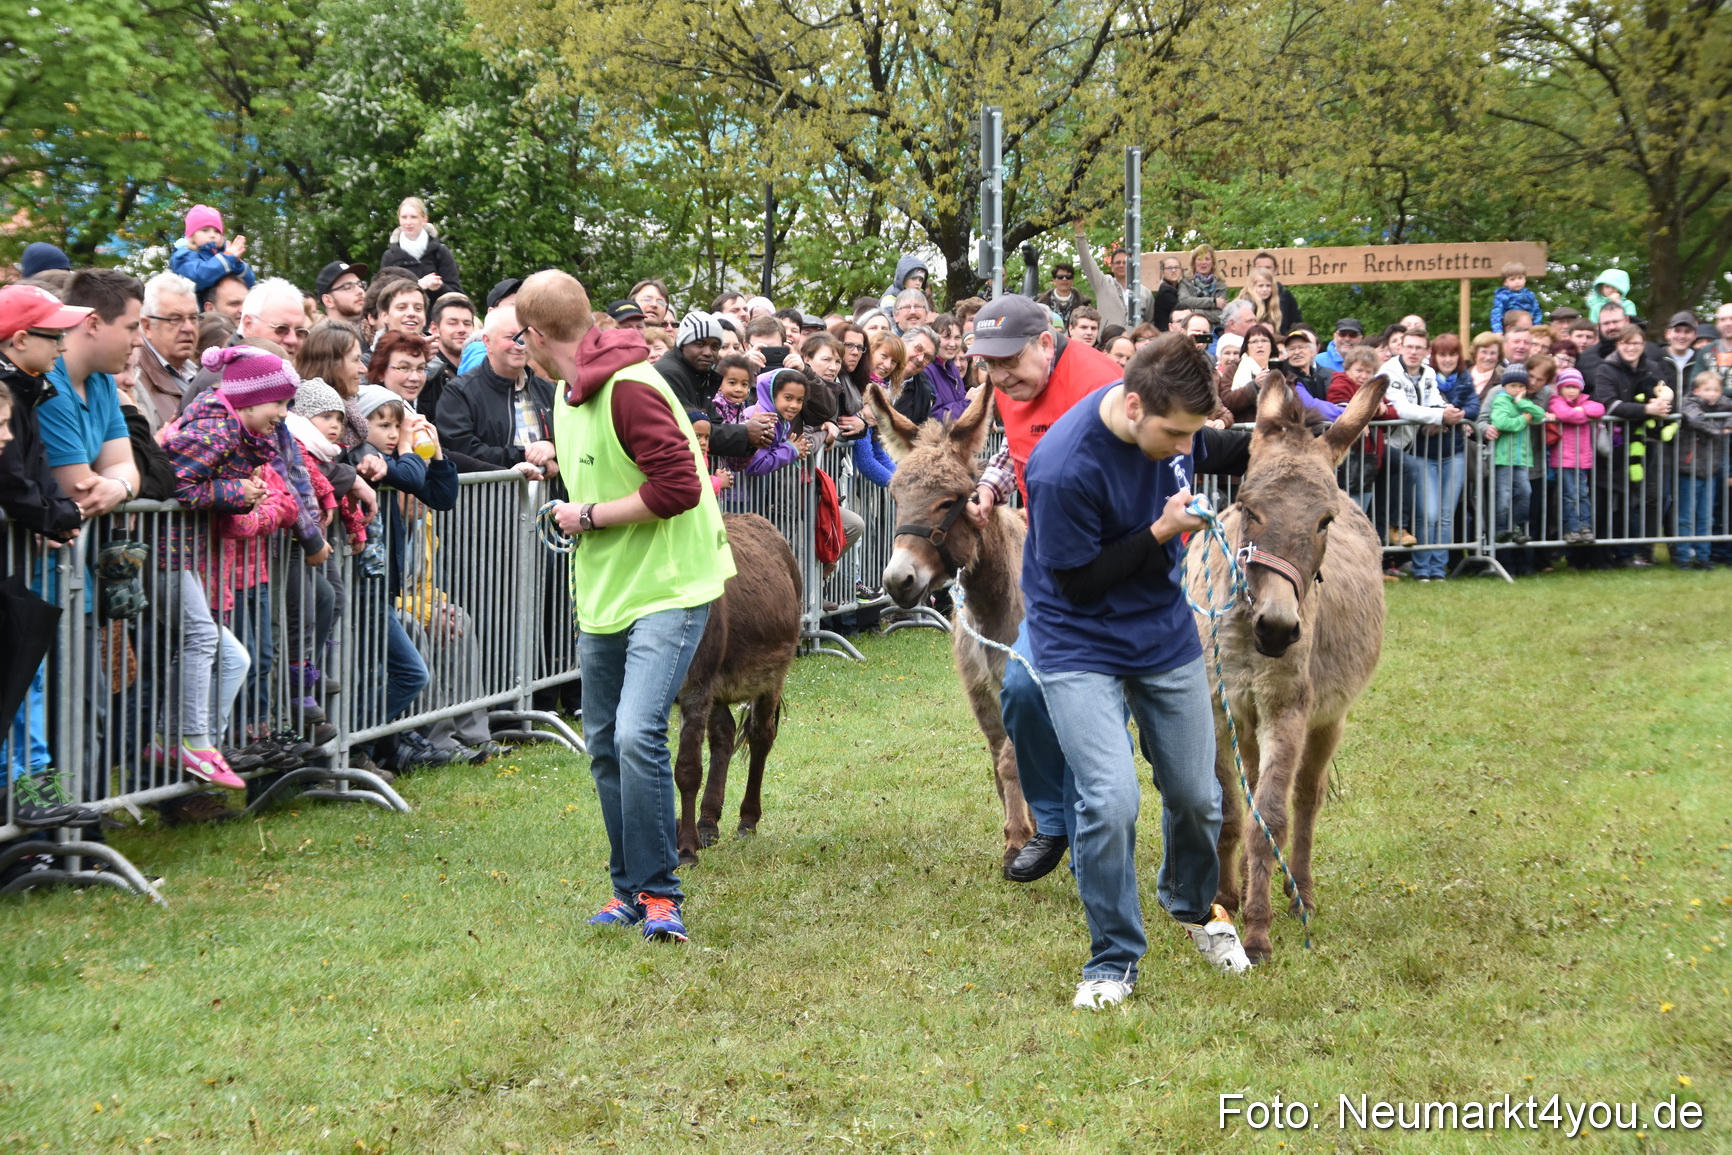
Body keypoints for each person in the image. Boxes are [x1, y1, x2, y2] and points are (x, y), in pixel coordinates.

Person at [1018, 331, 1254, 1008]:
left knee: (1197, 794)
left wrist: (1277, 438)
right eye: (1175, 435)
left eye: (1192, 434)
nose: (1186, 450)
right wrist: (1160, 532)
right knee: (1111, 800)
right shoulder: (1064, 467)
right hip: (1078, 637)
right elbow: (1080, 583)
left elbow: (1212, 446)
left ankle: (1188, 901)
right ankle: (1113, 958)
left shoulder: (1172, 423)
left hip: (1161, 632)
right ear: (1131, 408)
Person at [520, 269, 734, 944]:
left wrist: (585, 513)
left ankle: (661, 895)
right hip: (609, 589)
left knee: (638, 732)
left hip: (671, 583)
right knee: (606, 744)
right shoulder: (564, 390)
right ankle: (628, 889)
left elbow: (679, 488)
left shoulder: (631, 387)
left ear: (533, 335)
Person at [961, 295, 1136, 882]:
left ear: (1044, 342)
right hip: (1056, 572)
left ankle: (1184, 824)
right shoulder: (1012, 389)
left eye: (1008, 360)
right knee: (1023, 690)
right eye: (988, 365)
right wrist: (989, 485)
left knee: (1133, 714)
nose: (1000, 376)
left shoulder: (1100, 382)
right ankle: (1055, 819)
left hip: (1126, 569)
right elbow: (1018, 451)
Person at [0, 285, 92, 826]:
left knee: (25, 674)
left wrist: (60, 507)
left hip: (17, 564)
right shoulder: (4, 393)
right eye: (53, 336)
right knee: (14, 676)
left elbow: (34, 468)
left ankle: (38, 789)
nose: (61, 346)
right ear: (18, 340)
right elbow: (8, 471)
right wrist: (51, 515)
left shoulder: (28, 390)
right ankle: (22, 793)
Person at [437, 306, 558, 476]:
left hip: (547, 499)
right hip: (490, 499)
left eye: (525, 336)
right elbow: (462, 451)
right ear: (487, 341)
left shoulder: (548, 390)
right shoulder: (459, 392)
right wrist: (525, 456)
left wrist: (553, 448)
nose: (520, 344)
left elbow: (574, 438)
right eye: (511, 337)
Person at [1379, 330, 1464, 566]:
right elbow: (1403, 409)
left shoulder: (1428, 372)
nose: (1413, 352)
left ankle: (1433, 566)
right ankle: (1398, 530)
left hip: (1405, 444)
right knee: (1404, 476)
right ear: (1401, 347)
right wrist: (1439, 416)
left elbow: (1434, 399)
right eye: (1409, 347)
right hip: (1383, 443)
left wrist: (1450, 411)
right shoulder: (1389, 371)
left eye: (1419, 348)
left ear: (1427, 351)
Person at [1592, 325, 1671, 564]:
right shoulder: (1606, 369)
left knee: (1652, 498)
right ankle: (1620, 554)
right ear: (1618, 345)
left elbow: (1664, 397)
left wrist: (1664, 405)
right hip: (1618, 445)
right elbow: (1609, 405)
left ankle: (1645, 553)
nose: (1631, 347)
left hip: (1650, 442)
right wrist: (1647, 410)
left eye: (1636, 343)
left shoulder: (1654, 368)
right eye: (1626, 343)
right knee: (1621, 499)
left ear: (1643, 345)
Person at [656, 311, 772, 461]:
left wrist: (756, 433)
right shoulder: (670, 373)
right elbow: (692, 429)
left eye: (715, 346)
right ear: (682, 343)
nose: (708, 352)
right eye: (700, 344)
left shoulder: (698, 372)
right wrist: (746, 432)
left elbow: (713, 423)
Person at [1675, 371, 1731, 568]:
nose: (1712, 394)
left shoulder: (1723, 404)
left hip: (1711, 469)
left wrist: (1727, 424)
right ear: (1697, 390)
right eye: (1707, 389)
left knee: (1706, 516)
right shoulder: (1689, 402)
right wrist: (1718, 431)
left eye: (1716, 389)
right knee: (1686, 516)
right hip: (1689, 468)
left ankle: (1703, 556)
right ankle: (1682, 556)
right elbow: (1695, 419)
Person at [1487, 365, 1547, 547]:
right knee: (1503, 497)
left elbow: (1540, 415)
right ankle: (1500, 529)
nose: (1517, 390)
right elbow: (1502, 422)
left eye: (1521, 386)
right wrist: (1523, 419)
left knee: (1525, 493)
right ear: (1505, 386)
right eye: (1513, 386)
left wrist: (1522, 403)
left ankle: (1515, 527)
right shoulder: (1501, 400)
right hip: (1503, 458)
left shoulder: (1523, 402)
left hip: (1521, 458)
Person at [135, 272, 201, 434]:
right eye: (175, 319)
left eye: (193, 318)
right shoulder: (133, 378)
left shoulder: (200, 372)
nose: (188, 328)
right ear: (147, 326)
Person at [1547, 367, 1602, 545]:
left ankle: (1585, 526)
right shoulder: (1556, 401)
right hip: (1564, 459)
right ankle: (1571, 527)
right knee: (1569, 494)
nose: (1571, 390)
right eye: (1567, 386)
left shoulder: (1586, 401)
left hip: (1582, 458)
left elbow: (1599, 409)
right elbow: (1564, 414)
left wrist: (1579, 411)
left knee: (1582, 494)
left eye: (1575, 387)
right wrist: (1580, 414)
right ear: (1560, 388)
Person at [378, 196, 461, 297]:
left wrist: (439, 286)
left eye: (413, 217)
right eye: (404, 217)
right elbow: (382, 296)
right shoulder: (389, 256)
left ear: (424, 219)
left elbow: (457, 294)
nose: (408, 222)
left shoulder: (440, 252)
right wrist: (418, 285)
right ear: (399, 219)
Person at [169, 205, 255, 298]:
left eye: (217, 231)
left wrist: (237, 264)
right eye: (205, 230)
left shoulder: (223, 255)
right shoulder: (184, 255)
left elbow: (249, 284)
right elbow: (197, 278)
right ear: (192, 235)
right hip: (199, 311)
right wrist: (226, 258)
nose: (212, 235)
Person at [421, 292, 476, 419]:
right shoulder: (427, 373)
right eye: (453, 323)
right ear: (434, 329)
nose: (462, 329)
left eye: (467, 323)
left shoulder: (482, 368)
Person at [1176, 244, 1229, 329]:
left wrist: (1194, 312)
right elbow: (1184, 301)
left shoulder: (1220, 284)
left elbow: (1221, 314)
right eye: (1199, 259)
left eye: (1207, 259)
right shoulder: (1185, 281)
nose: (1203, 262)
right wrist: (1213, 302)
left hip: (1214, 331)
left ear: (1213, 262)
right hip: (1190, 328)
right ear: (1194, 262)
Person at [1250, 251, 1303, 329]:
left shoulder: (1285, 296)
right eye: (1260, 268)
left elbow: (1295, 324)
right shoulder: (1246, 298)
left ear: (1276, 270)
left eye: (1268, 268)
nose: (1264, 271)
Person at [1035, 263, 1091, 328]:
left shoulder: (1085, 304)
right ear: (1054, 280)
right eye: (1060, 277)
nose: (1064, 279)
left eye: (1068, 277)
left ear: (1072, 281)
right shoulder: (1040, 304)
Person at [316, 261, 370, 328]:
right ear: (328, 301)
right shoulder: (320, 338)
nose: (360, 291)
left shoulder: (375, 333)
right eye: (348, 287)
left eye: (360, 285)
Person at [1234, 268, 1284, 335]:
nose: (1265, 289)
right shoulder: (1247, 303)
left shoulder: (1271, 302)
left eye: (1268, 285)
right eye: (1260, 286)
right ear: (1252, 286)